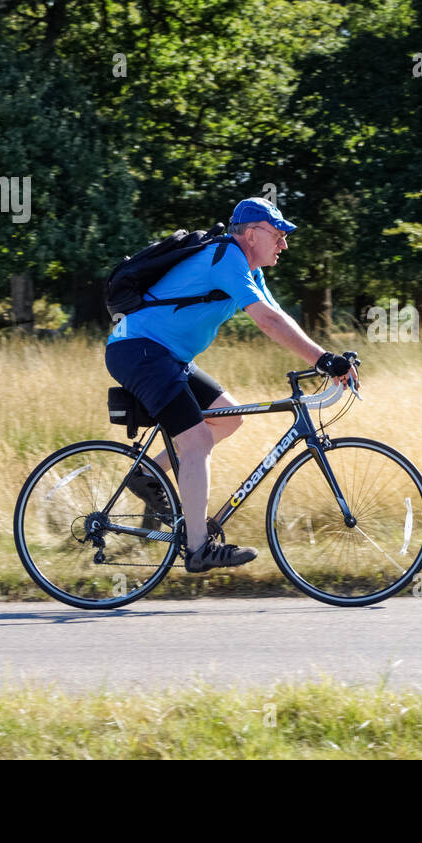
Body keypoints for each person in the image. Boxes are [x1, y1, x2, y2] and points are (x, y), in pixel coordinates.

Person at [104, 197, 358, 571]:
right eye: (278, 234)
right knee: (197, 440)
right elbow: (266, 322)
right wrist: (321, 361)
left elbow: (278, 316)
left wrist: (325, 356)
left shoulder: (251, 269)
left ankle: (147, 475)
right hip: (140, 350)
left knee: (227, 417)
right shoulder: (227, 258)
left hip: (167, 355)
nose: (284, 243)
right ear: (252, 234)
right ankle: (197, 549)